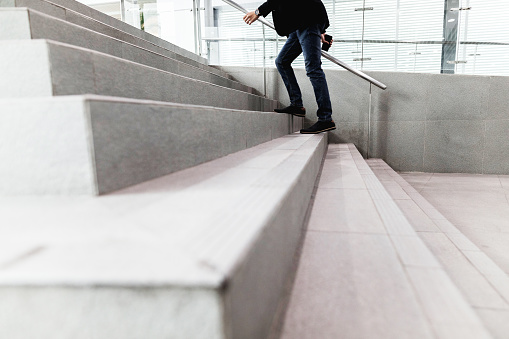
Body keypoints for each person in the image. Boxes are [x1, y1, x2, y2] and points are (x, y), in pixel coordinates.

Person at [243, 0, 335, 134]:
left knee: (313, 69)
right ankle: (297, 104)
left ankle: (326, 118)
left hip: (307, 21)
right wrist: (321, 31)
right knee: (281, 61)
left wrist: (258, 12)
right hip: (300, 24)